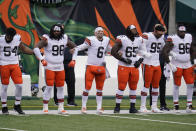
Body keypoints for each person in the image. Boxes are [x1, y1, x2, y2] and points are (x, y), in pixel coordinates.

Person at [33, 24, 76, 114]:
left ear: (61, 31)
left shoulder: (64, 38)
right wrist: (42, 59)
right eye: (55, 31)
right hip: (50, 66)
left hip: (60, 66)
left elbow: (75, 47)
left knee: (60, 87)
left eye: (58, 31)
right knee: (49, 87)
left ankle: (61, 108)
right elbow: (36, 48)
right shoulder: (47, 38)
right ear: (52, 31)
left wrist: (74, 59)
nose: (56, 33)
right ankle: (45, 107)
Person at [70, 26, 111, 114]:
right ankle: (84, 107)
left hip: (101, 68)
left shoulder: (106, 40)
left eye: (101, 31)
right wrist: (76, 48)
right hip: (91, 67)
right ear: (95, 33)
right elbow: (83, 46)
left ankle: (99, 108)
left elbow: (109, 49)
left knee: (100, 89)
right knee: (87, 88)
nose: (100, 32)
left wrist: (117, 51)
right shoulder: (91, 39)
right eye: (98, 31)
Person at [111, 25, 149, 113]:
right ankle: (117, 107)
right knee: (121, 87)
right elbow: (113, 52)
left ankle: (132, 107)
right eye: (133, 30)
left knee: (133, 87)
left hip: (134, 67)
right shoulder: (122, 39)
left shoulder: (139, 39)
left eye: (135, 29)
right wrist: (123, 59)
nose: (135, 31)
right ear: (128, 31)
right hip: (123, 66)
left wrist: (139, 61)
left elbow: (144, 53)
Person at [0, 27, 34, 114]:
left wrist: (34, 52)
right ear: (6, 35)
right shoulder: (1, 39)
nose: (9, 38)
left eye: (11, 36)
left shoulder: (17, 38)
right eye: (8, 36)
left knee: (19, 85)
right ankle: (4, 106)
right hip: (4, 64)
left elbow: (23, 49)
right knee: (4, 86)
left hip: (15, 64)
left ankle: (17, 105)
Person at [162, 25, 194, 113]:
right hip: (177, 65)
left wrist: (193, 61)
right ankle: (176, 104)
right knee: (177, 84)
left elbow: (191, 49)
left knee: (190, 84)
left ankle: (189, 104)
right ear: (177, 31)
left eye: (183, 32)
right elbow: (165, 51)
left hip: (187, 64)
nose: (182, 33)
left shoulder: (189, 36)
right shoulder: (172, 38)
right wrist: (170, 63)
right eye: (181, 31)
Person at [140, 24, 166, 113]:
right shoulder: (147, 36)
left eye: (162, 34)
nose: (160, 35)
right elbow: (140, 48)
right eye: (159, 34)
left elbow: (163, 49)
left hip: (157, 63)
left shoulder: (162, 38)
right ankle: (143, 106)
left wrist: (170, 54)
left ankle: (154, 106)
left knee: (156, 85)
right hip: (147, 63)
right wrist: (145, 54)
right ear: (155, 31)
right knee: (146, 85)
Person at [53, 23, 77, 106]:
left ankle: (71, 101)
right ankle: (57, 100)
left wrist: (73, 51)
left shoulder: (67, 37)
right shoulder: (52, 39)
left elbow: (74, 47)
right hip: (59, 63)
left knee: (71, 82)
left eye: (62, 28)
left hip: (68, 63)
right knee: (58, 82)